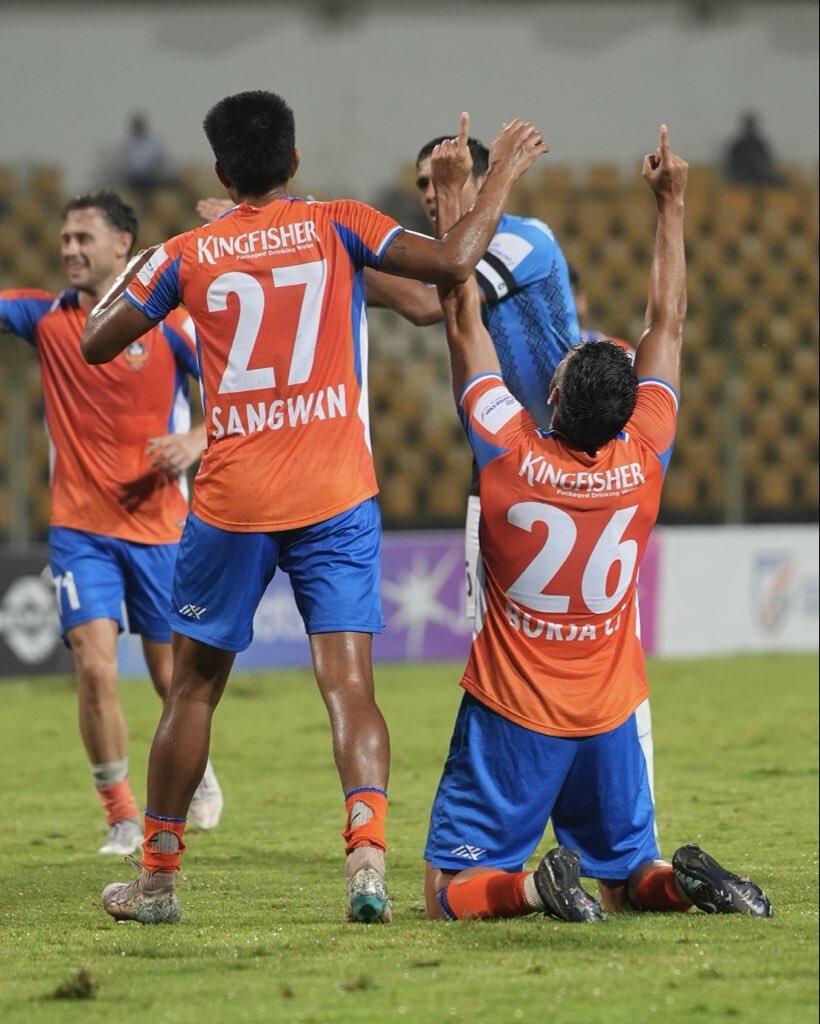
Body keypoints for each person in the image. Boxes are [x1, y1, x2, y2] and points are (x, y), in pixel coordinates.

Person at [81, 91, 547, 925]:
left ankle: (155, 883)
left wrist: (157, 261)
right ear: (294, 161)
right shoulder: (339, 223)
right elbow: (449, 265)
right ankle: (366, 860)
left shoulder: (188, 251)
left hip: (232, 499)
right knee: (349, 688)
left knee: (191, 692)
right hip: (335, 493)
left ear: (222, 170)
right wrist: (499, 172)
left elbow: (96, 341)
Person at [421, 124, 772, 924]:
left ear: (553, 396)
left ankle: (528, 887)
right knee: (625, 880)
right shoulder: (643, 458)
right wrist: (672, 208)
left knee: (446, 894)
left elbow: (457, 309)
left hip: (517, 711)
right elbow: (669, 321)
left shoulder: (507, 456)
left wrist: (461, 197)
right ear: (630, 412)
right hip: (610, 711)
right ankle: (679, 885)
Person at [198, 127, 579, 622]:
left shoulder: (523, 238)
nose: (429, 193)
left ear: (482, 180)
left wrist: (320, 240)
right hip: (499, 449)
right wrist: (295, 248)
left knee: (568, 619)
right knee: (488, 618)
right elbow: (389, 288)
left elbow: (425, 303)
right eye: (422, 184)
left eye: (440, 179)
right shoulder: (441, 253)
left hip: (565, 444)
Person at [0, 189, 224, 855]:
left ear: (122, 245)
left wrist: (197, 439)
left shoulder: (169, 324)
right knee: (96, 671)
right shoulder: (44, 318)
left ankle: (198, 769)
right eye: (65, 240)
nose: (70, 250)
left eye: (83, 239)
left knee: (169, 678)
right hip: (79, 531)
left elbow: (234, 388)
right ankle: (122, 813)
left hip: (159, 528)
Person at [119, 113, 177, 199]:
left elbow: (162, 160)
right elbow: (127, 165)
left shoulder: (154, 142)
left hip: (153, 176)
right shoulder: (129, 144)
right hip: (136, 180)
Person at [723, 111, 782, 187]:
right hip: (741, 176)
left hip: (759, 176)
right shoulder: (738, 145)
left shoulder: (760, 145)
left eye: (751, 125)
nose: (750, 128)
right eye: (748, 125)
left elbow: (768, 162)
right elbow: (731, 164)